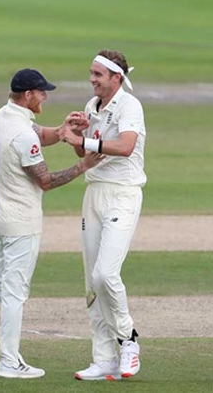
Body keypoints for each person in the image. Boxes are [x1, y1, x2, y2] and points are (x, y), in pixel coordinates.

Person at [0, 68, 103, 379]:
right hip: (21, 223)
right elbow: (46, 181)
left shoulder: (3, 117)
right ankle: (9, 362)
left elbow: (39, 134)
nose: (45, 97)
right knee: (15, 293)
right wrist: (83, 165)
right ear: (28, 95)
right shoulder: (22, 135)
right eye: (42, 93)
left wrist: (64, 130)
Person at [57, 49, 146, 381]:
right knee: (91, 282)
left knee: (105, 275)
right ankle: (104, 358)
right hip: (94, 193)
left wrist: (85, 142)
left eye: (98, 74)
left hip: (123, 193)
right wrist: (76, 137)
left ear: (116, 77)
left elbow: (125, 146)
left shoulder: (129, 106)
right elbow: (84, 152)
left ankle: (128, 339)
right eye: (91, 73)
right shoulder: (92, 106)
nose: (92, 79)